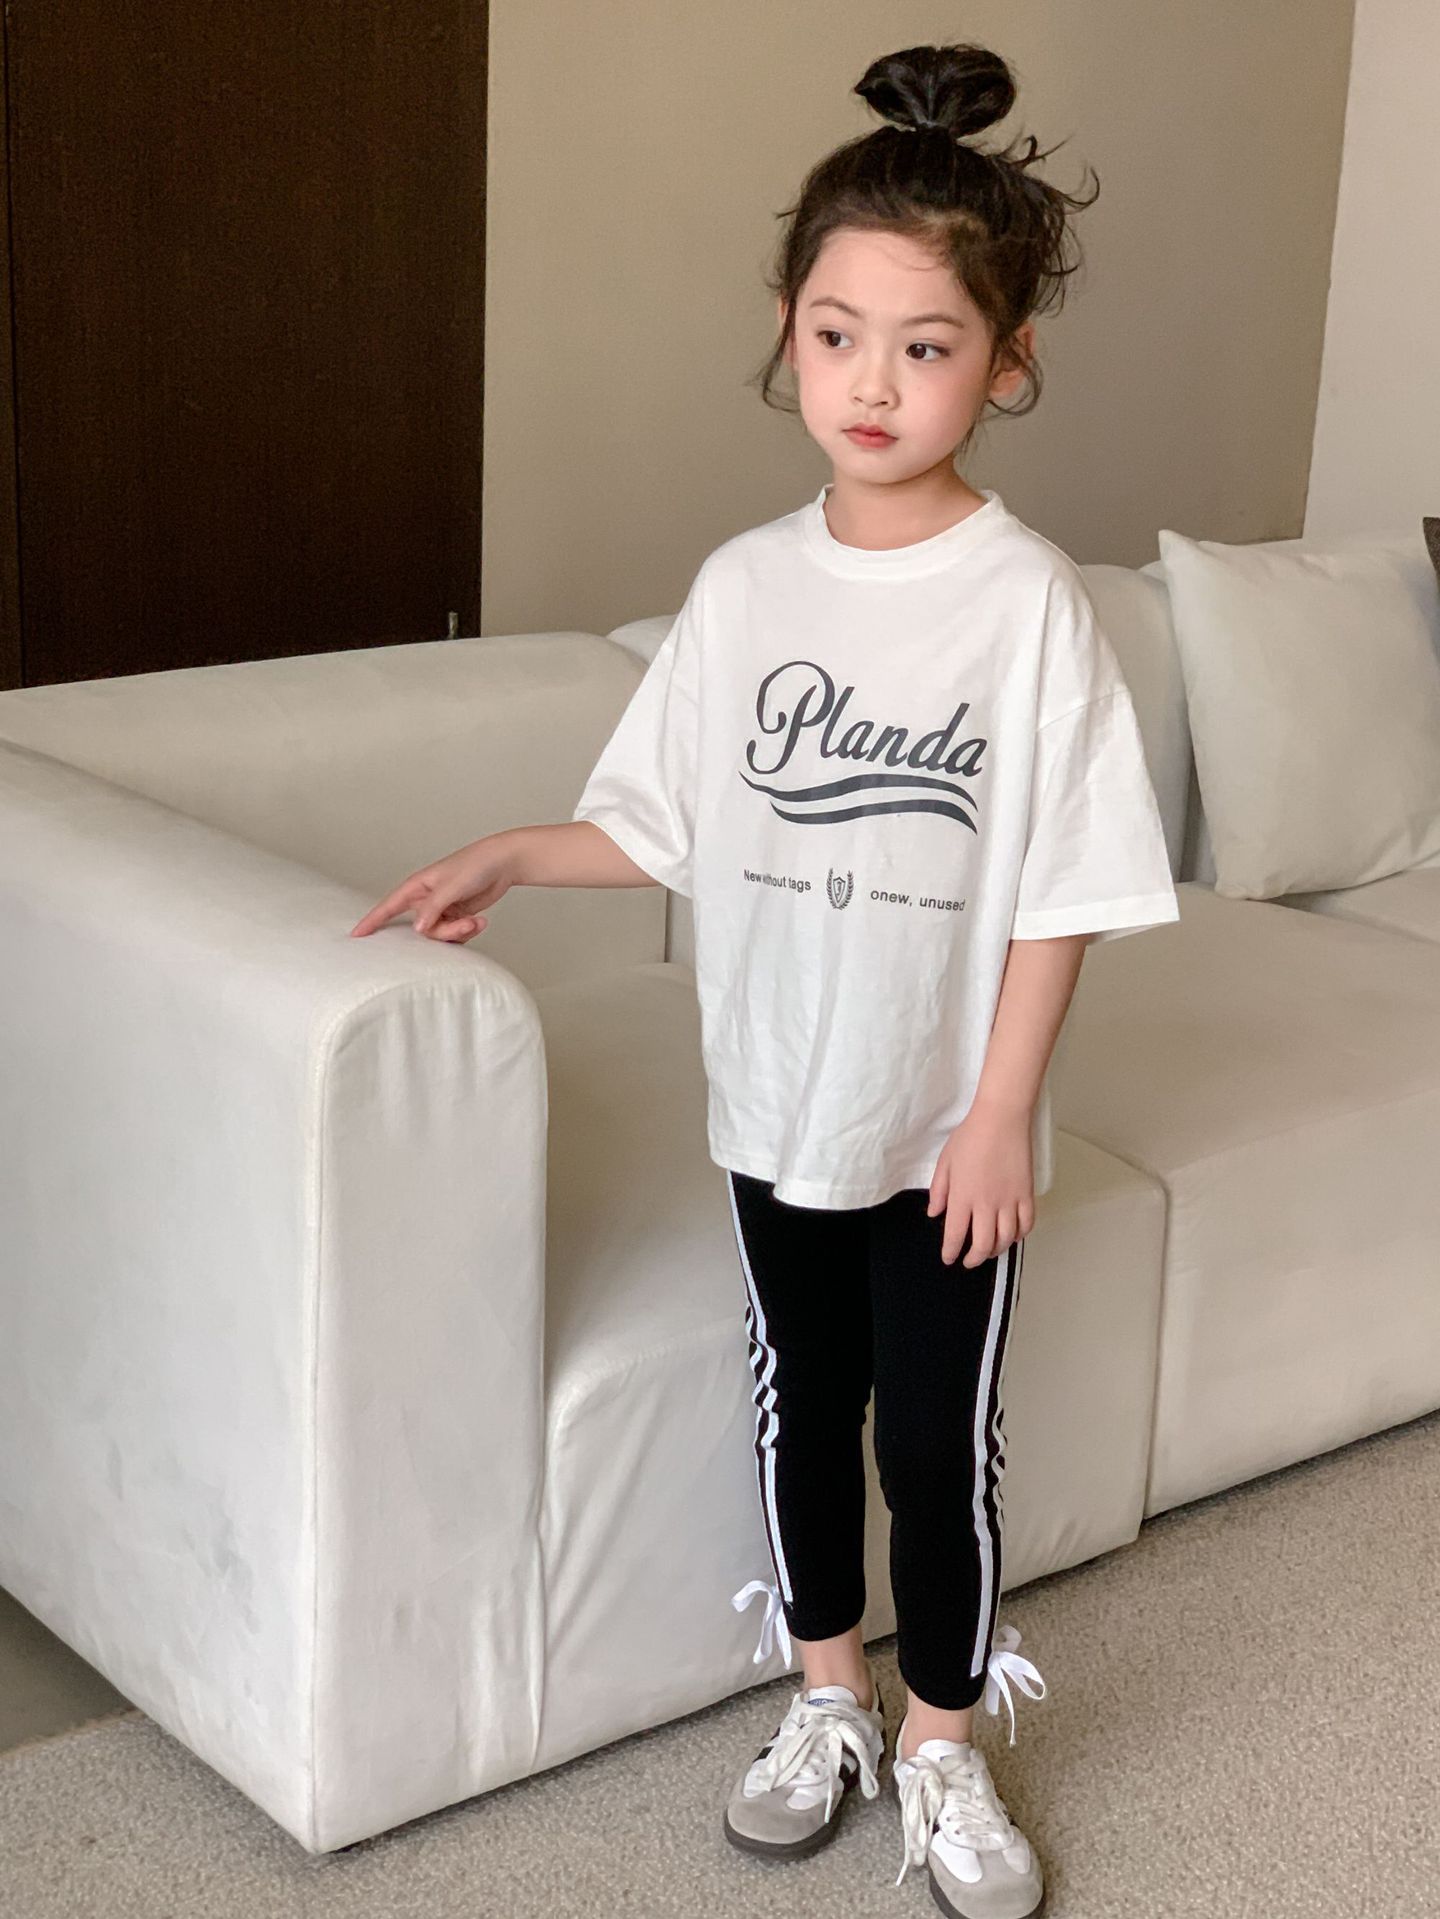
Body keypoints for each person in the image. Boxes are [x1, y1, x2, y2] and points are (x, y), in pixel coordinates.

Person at [351, 38, 1180, 1918]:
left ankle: (945, 1738)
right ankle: (827, 1699)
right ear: (788, 338)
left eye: (925, 344)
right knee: (805, 1408)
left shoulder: (1028, 603)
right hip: (778, 1106)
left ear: (1006, 362)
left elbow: (1065, 885)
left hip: (943, 1128)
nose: (872, 383)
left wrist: (1000, 1113)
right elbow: (661, 823)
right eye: (835, 335)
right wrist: (510, 852)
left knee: (933, 1441)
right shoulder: (743, 589)